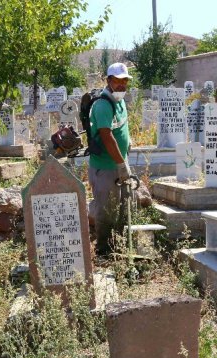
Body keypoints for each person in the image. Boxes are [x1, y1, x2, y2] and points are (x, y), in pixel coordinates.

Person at [88, 62, 133, 256]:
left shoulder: (120, 101)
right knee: (106, 209)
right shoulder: (102, 105)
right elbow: (107, 137)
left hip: (120, 163)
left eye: (125, 81)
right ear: (109, 81)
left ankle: (119, 246)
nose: (122, 85)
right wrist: (121, 164)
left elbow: (121, 128)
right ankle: (103, 249)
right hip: (106, 167)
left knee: (123, 206)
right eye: (117, 81)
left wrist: (127, 148)